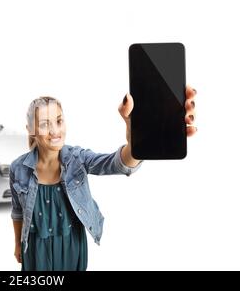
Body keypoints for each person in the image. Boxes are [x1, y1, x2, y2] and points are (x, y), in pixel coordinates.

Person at [10, 87, 197, 271]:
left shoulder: (77, 159)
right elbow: (18, 211)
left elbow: (116, 164)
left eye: (59, 121)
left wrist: (137, 143)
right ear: (31, 129)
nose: (55, 131)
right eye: (44, 124)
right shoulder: (18, 168)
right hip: (34, 247)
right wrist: (18, 244)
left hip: (71, 245)